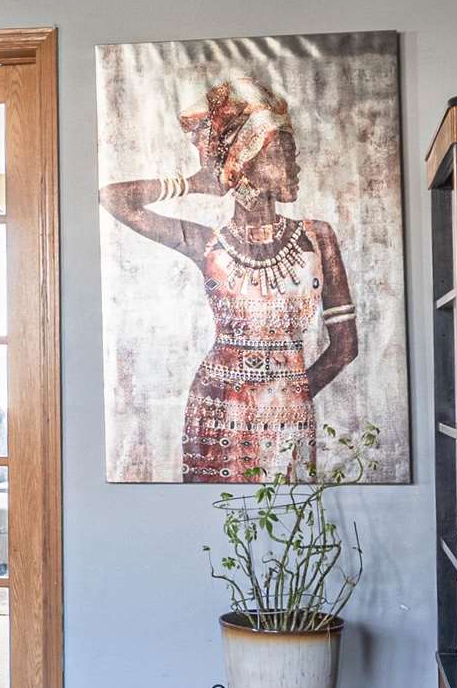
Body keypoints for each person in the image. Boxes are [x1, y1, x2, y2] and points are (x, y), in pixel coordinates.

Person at [100, 77, 358, 481]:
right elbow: (113, 198)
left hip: (288, 408)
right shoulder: (208, 244)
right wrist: (191, 183)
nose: (296, 162)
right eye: (282, 152)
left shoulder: (317, 237)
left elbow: (345, 347)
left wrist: (291, 395)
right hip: (217, 407)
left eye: (293, 151)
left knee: (288, 517)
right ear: (247, 162)